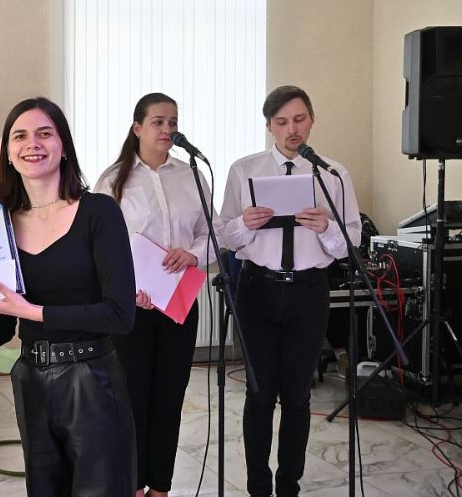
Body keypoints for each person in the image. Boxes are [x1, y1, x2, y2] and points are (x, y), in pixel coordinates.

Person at [0, 97, 137, 496]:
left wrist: (34, 311)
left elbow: (120, 314)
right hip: (30, 381)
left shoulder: (98, 211)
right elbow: (4, 323)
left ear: (63, 145)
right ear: (8, 152)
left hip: (91, 382)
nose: (32, 143)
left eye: (44, 133)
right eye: (19, 136)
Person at [219, 86, 361, 497]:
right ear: (269, 127)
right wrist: (245, 223)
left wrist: (326, 228)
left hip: (308, 291)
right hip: (257, 289)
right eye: (281, 122)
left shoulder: (333, 174)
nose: (291, 129)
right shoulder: (244, 170)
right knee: (259, 394)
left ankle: (288, 487)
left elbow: (350, 242)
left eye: (299, 119)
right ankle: (258, 487)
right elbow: (224, 235)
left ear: (312, 119)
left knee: (297, 397)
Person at [94, 93, 218, 497]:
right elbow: (99, 247)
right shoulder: (113, 180)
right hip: (131, 307)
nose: (167, 129)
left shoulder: (192, 176)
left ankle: (161, 487)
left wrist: (193, 254)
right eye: (158, 122)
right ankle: (132, 484)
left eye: (173, 122)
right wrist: (126, 290)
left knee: (170, 397)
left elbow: (212, 234)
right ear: (138, 128)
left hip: (179, 301)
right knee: (132, 399)